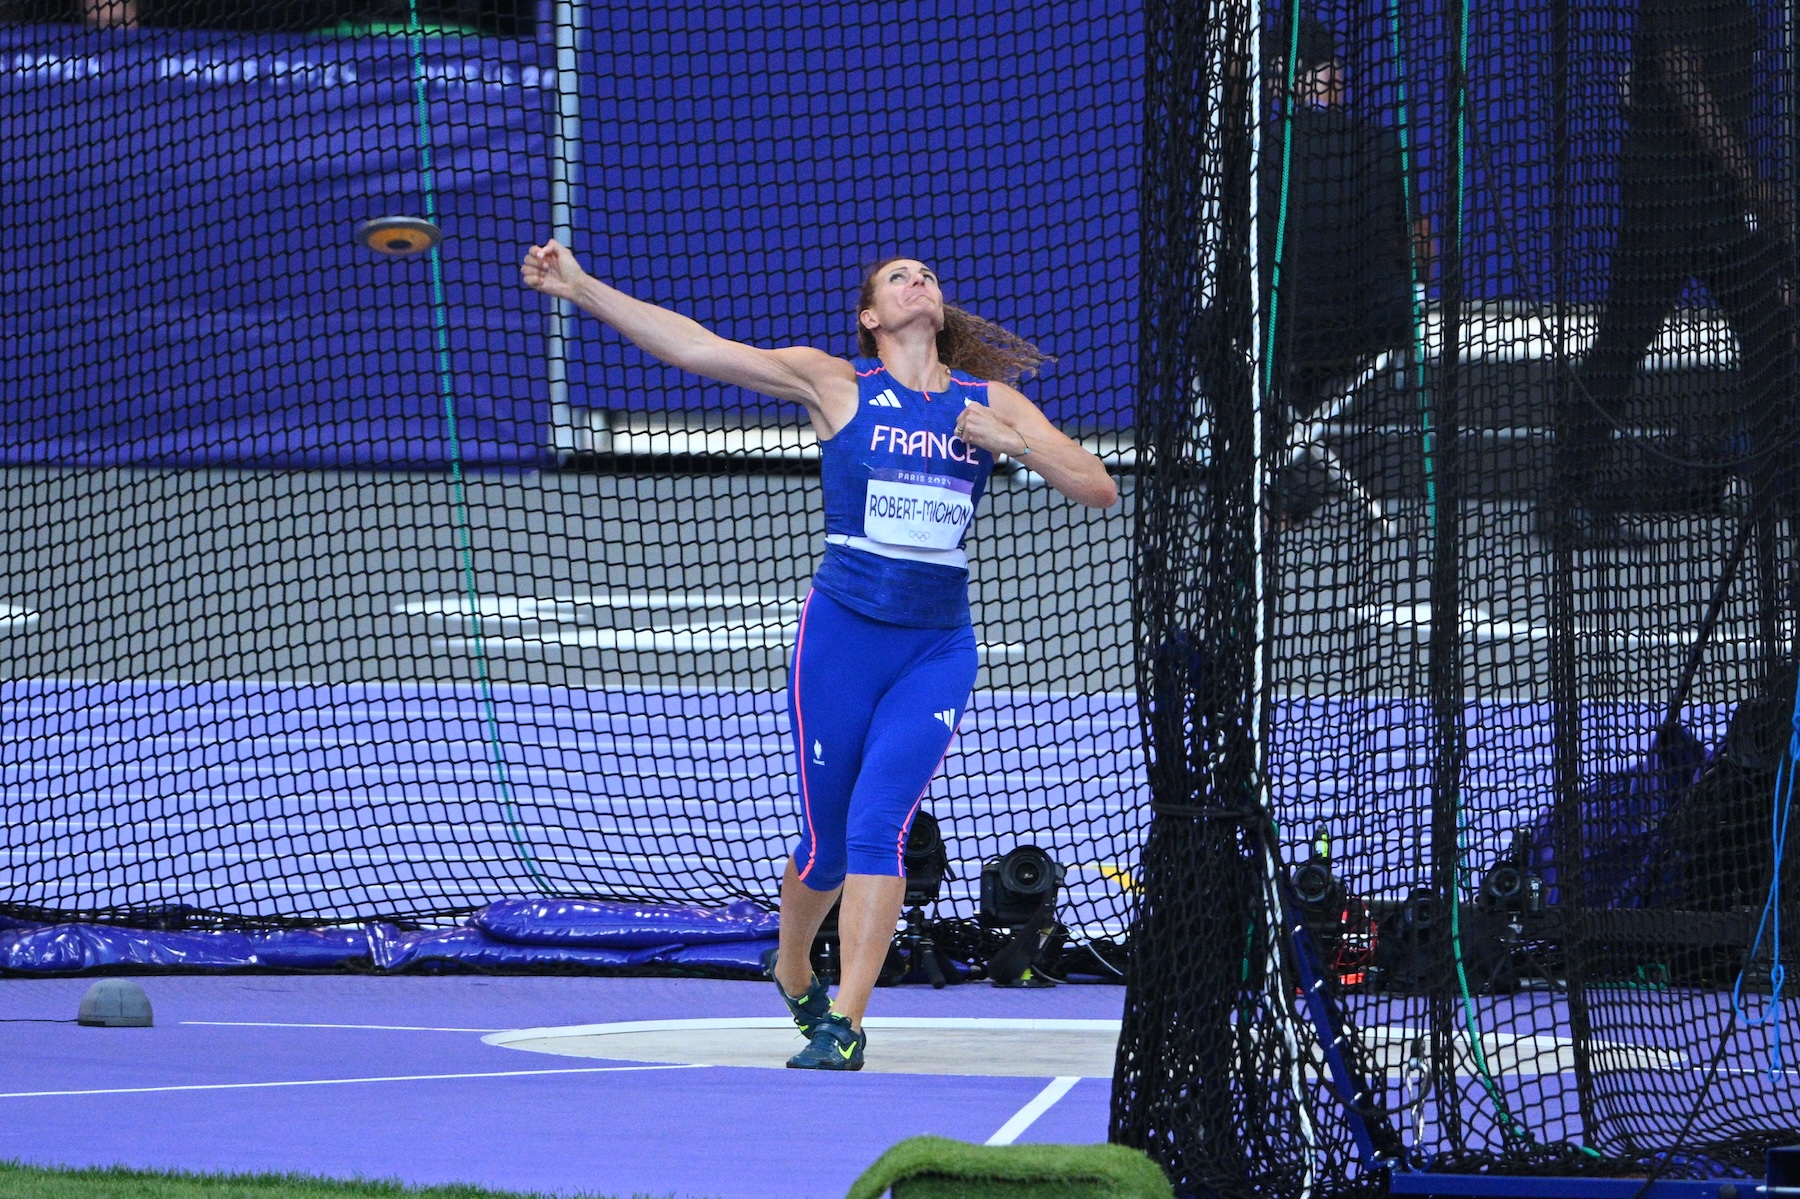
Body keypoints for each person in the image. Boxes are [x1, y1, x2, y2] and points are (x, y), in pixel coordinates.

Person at [520, 244, 1119, 1069]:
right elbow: (696, 347)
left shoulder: (991, 401)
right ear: (872, 317)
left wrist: (1011, 442)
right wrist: (580, 286)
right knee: (825, 847)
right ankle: (793, 962)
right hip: (840, 639)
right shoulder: (836, 385)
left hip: (937, 650)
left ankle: (846, 1022)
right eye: (900, 277)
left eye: (930, 277)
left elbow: (1097, 484)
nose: (922, 282)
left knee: (881, 827)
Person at [1558, 0, 1795, 549]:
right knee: (1622, 343)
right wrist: (1749, 179)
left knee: (1769, 337)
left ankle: (1775, 488)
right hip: (1667, 201)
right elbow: (1679, 71)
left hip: (1717, 205)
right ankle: (1567, 495)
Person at [1259, 16, 1424, 527]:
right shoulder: (1380, 148)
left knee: (1210, 335)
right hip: (1369, 331)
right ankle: (1293, 449)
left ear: (1274, 83)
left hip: (1277, 334)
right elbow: (1419, 247)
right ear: (1329, 74)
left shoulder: (1257, 152)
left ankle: (1274, 473)